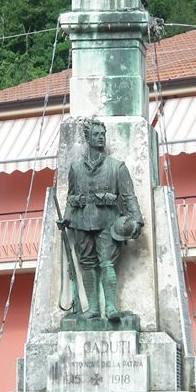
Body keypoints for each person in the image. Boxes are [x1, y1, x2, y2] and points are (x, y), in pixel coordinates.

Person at [59, 118, 143, 321]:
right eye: (96, 134)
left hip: (107, 222)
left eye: (102, 134)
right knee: (87, 264)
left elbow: (129, 196)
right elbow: (71, 197)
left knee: (107, 264)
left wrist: (137, 220)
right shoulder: (75, 168)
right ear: (87, 138)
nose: (101, 137)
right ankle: (94, 308)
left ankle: (111, 308)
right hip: (81, 223)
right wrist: (67, 218)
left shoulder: (117, 167)